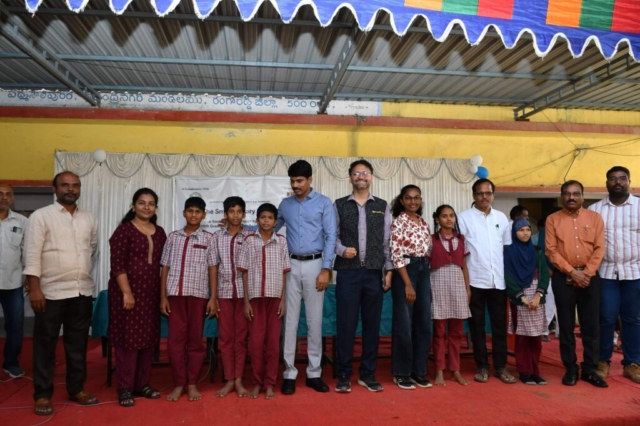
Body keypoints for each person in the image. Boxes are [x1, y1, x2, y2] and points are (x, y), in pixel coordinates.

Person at [23, 172, 99, 416]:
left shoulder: (89, 217)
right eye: (65, 185)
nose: (71, 189)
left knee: (77, 345)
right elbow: (32, 253)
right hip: (50, 292)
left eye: (75, 185)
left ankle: (76, 389)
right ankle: (43, 394)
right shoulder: (40, 216)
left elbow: (92, 249)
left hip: (81, 291)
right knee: (45, 345)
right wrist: (35, 287)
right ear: (54, 189)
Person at [333, 159, 393, 393]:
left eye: (365, 172)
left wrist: (388, 270)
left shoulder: (382, 205)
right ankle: (344, 374)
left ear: (371, 177)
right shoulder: (338, 205)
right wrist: (341, 250)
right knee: (346, 325)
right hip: (347, 274)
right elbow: (333, 236)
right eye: (356, 173)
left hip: (373, 274)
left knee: (372, 325)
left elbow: (387, 242)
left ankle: (367, 374)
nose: (361, 176)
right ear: (350, 177)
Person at [277, 160, 336, 395]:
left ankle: (314, 372)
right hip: (290, 265)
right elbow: (269, 226)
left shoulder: (324, 203)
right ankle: (289, 373)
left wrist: (326, 269)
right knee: (289, 321)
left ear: (310, 180)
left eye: (300, 181)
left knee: (314, 321)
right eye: (292, 181)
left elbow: (331, 236)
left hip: (315, 265)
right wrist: (242, 228)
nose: (296, 185)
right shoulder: (285, 204)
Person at [109, 188, 167, 407]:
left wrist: (162, 295)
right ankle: (124, 387)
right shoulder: (124, 231)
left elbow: (163, 266)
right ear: (134, 206)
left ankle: (141, 383)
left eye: (151, 203)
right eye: (142, 203)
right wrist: (126, 293)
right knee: (128, 341)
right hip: (128, 295)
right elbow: (117, 266)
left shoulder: (160, 232)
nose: (146, 207)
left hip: (150, 294)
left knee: (148, 340)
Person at [546, 180, 607, 387]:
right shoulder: (552, 220)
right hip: (564, 279)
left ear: (582, 195)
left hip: (590, 278)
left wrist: (586, 274)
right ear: (561, 196)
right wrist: (572, 272)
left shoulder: (595, 218)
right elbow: (551, 251)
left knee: (591, 326)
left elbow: (600, 249)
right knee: (566, 326)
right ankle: (571, 368)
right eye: (567, 193)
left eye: (575, 193)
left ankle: (589, 369)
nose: (571, 197)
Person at [457, 178, 515, 384]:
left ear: (493, 195)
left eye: (488, 193)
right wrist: (465, 283)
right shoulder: (464, 218)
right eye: (480, 193)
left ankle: (500, 366)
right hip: (475, 280)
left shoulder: (502, 218)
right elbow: (460, 251)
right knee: (477, 326)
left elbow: (507, 248)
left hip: (498, 281)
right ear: (473, 196)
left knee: (499, 325)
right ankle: (481, 365)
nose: (484, 197)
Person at [589, 166, 640, 384]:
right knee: (606, 318)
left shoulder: (639, 206)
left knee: (634, 320)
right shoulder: (595, 210)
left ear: (629, 181)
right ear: (606, 182)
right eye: (612, 179)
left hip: (635, 272)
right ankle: (603, 361)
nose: (617, 182)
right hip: (606, 272)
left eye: (622, 178)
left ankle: (633, 363)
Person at [160, 197, 214, 402]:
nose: (193, 215)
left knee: (195, 342)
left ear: (204, 215)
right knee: (175, 342)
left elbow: (212, 269)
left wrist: (213, 297)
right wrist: (162, 296)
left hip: (199, 296)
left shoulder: (209, 239)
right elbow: (164, 267)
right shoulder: (173, 237)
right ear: (184, 213)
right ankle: (178, 383)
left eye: (197, 211)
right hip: (175, 295)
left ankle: (192, 383)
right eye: (190, 211)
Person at [237, 203, 290, 400]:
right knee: (256, 343)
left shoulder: (282, 242)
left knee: (273, 343)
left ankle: (270, 383)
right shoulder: (249, 241)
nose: (266, 221)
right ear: (257, 220)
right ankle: (257, 383)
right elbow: (243, 272)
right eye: (262, 217)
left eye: (270, 218)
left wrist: (283, 300)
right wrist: (246, 301)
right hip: (255, 299)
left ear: (276, 222)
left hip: (275, 299)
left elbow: (285, 274)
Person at [389, 185, 432, 390]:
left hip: (424, 270)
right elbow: (396, 254)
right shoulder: (398, 222)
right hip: (406, 272)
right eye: (408, 198)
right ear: (402, 200)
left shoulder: (423, 222)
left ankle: (419, 370)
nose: (413, 201)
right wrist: (408, 284)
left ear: (420, 200)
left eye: (416, 198)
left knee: (423, 323)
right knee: (404, 324)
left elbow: (427, 250)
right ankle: (402, 372)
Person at [210, 196, 253, 398]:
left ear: (244, 214)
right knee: (226, 339)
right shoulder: (217, 237)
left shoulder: (251, 237)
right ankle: (228, 379)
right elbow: (213, 267)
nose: (235, 215)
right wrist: (213, 296)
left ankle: (239, 380)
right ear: (225, 214)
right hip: (224, 295)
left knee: (241, 339)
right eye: (231, 211)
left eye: (239, 211)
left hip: (246, 296)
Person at [429, 204, 471, 386]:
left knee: (456, 332)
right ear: (437, 219)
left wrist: (467, 288)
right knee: (438, 332)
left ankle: (455, 369)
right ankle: (439, 370)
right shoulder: (431, 240)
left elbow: (464, 265)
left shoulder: (462, 239)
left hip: (457, 286)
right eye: (444, 216)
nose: (448, 219)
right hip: (437, 284)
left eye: (451, 216)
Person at [505, 218, 549, 385]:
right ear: (514, 233)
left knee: (536, 338)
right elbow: (508, 276)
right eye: (521, 230)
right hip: (520, 298)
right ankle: (524, 371)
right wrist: (523, 298)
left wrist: (538, 296)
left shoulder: (537, 251)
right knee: (523, 338)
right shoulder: (509, 252)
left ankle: (535, 371)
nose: (525, 233)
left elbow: (544, 274)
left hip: (537, 298)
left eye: (528, 229)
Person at [0, 184, 27, 378]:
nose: (4, 197)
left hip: (13, 282)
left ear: (13, 198)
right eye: (0, 194)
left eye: (8, 194)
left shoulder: (22, 221)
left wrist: (29, 278)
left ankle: (11, 362)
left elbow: (27, 252)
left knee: (15, 325)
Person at [532, 212, 559, 343]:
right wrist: (547, 269)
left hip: (567, 272)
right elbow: (542, 252)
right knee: (549, 303)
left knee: (563, 305)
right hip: (548, 272)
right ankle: (543, 330)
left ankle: (561, 331)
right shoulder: (546, 230)